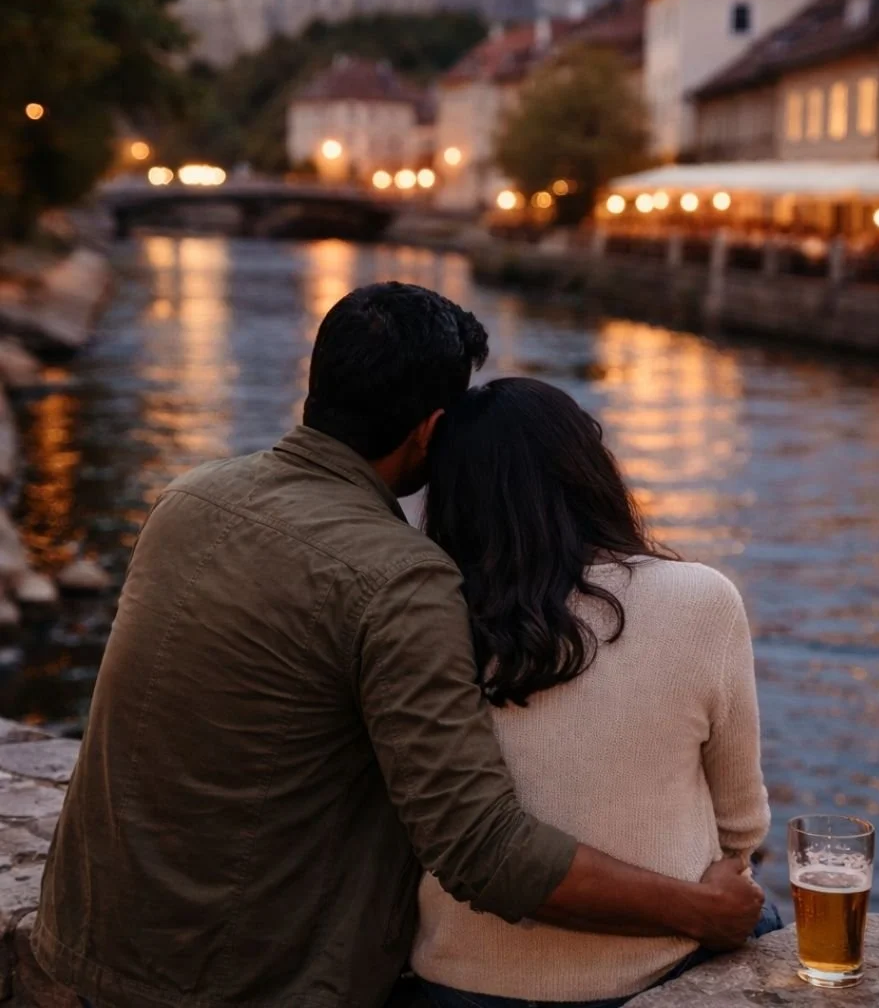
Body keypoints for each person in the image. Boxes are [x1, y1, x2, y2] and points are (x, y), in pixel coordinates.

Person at [32, 284, 765, 1008]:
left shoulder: (188, 499)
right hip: (238, 976)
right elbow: (481, 846)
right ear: (429, 430)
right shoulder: (398, 576)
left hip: (96, 932)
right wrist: (702, 911)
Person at [415, 377, 776, 1008]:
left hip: (458, 980)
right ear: (589, 471)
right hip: (655, 971)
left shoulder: (426, 618)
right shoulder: (699, 599)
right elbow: (742, 828)